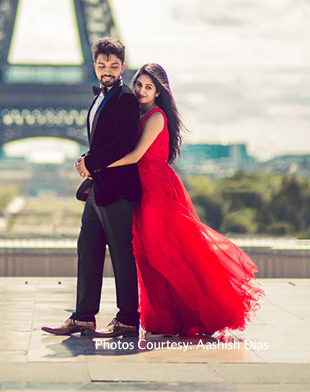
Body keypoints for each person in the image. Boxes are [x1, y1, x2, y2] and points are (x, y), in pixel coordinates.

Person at [102, 63, 263, 335]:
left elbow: (136, 156)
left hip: (157, 194)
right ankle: (168, 318)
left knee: (164, 255)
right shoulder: (137, 115)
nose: (141, 91)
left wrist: (98, 167)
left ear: (158, 92)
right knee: (148, 257)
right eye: (138, 84)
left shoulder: (155, 117)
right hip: (141, 193)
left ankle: (204, 309)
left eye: (148, 87)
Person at [42, 37, 141, 338]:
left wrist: (90, 160)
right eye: (101, 65)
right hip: (99, 187)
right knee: (88, 248)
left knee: (121, 254)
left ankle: (127, 319)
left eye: (113, 65)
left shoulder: (125, 98)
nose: (107, 70)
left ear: (122, 67)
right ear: (95, 66)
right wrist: (90, 163)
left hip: (117, 189)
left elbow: (124, 143)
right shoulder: (100, 95)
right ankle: (83, 317)